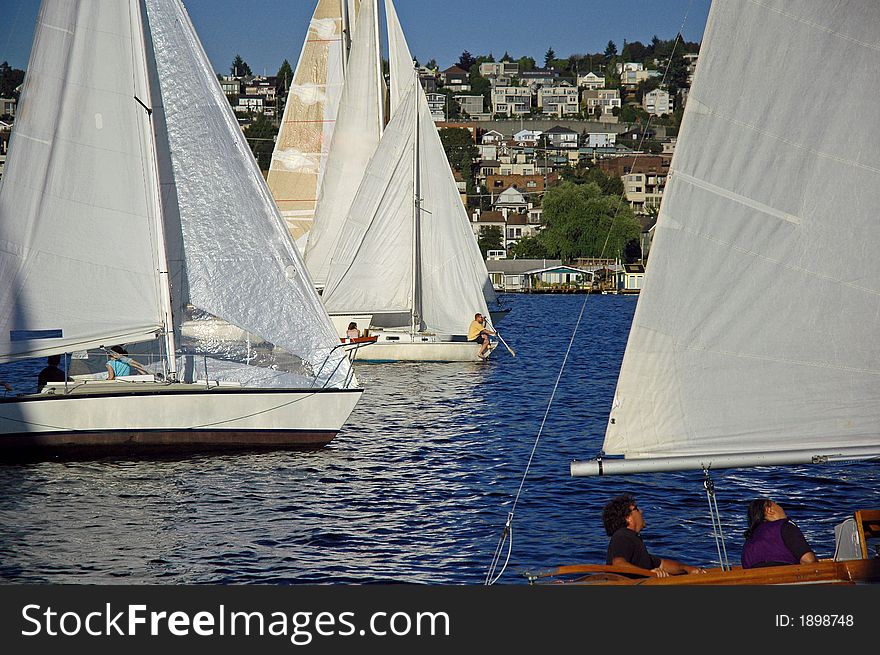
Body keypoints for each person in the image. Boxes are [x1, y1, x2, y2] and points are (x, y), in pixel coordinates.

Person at [603, 493, 706, 578]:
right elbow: (618, 564)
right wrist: (649, 573)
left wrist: (687, 568)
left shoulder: (632, 539)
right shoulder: (622, 536)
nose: (641, 511)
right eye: (637, 509)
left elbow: (662, 564)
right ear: (628, 517)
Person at [741, 498, 817, 568]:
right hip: (786, 577)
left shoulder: (748, 542)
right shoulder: (785, 526)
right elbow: (808, 560)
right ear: (769, 510)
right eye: (777, 505)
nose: (781, 508)